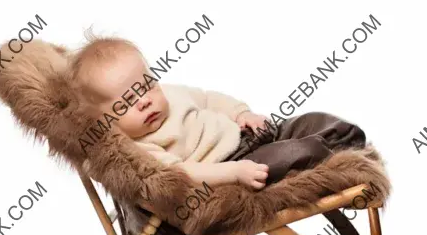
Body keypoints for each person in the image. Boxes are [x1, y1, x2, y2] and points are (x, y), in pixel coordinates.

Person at [71, 35, 366, 190]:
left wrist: (242, 114)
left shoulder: (172, 93)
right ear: (104, 121)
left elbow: (210, 100)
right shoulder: (139, 148)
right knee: (294, 153)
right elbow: (182, 173)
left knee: (315, 122)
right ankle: (332, 162)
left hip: (250, 134)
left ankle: (346, 141)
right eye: (125, 103)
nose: (144, 102)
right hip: (238, 164)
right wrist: (234, 173)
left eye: (146, 86)